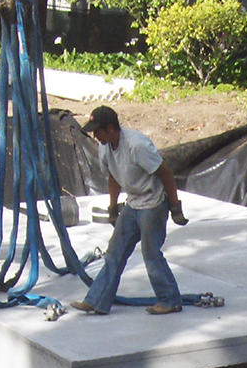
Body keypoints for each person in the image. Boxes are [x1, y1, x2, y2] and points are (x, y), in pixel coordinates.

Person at [68, 105, 191, 316]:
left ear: (111, 128)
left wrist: (174, 206)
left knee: (151, 253)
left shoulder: (137, 145)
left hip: (153, 203)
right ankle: (96, 300)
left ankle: (170, 300)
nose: (95, 136)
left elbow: (166, 173)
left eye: (98, 131)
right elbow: (114, 177)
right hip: (133, 203)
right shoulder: (105, 147)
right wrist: (113, 206)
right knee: (115, 252)